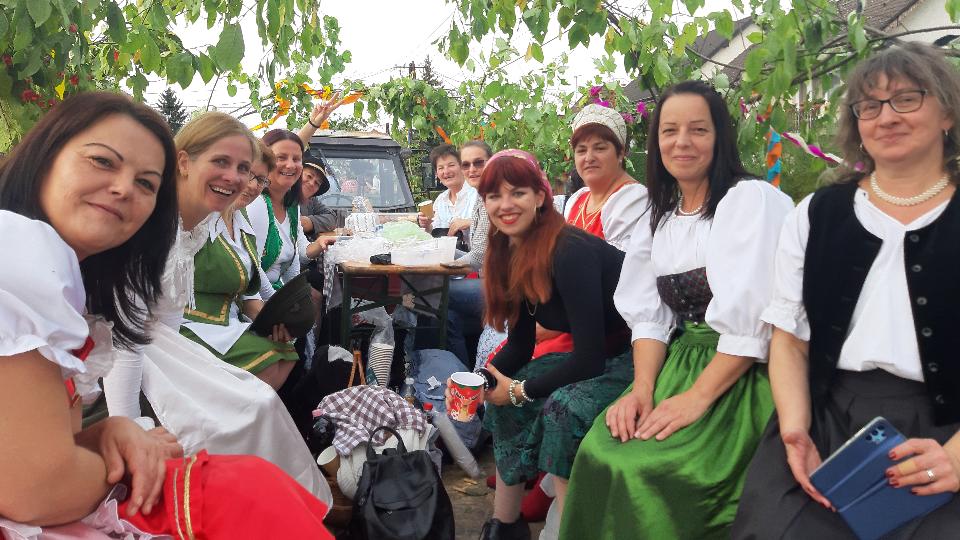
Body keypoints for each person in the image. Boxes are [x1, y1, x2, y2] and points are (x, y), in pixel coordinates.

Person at [0, 92, 332, 538]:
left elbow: (45, 442)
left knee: (256, 445)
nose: (123, 188)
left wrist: (109, 436)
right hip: (50, 501)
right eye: (102, 161)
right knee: (246, 476)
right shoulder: (18, 258)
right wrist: (131, 441)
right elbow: (38, 490)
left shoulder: (74, 270)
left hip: (155, 365)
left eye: (145, 183)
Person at [732, 42, 960, 539]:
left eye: (906, 99)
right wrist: (795, 429)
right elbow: (790, 341)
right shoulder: (815, 214)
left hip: (949, 428)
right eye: (869, 106)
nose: (886, 117)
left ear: (947, 112)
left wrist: (957, 457)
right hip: (829, 419)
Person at [560, 81, 794, 540]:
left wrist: (697, 398)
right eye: (669, 131)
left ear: (720, 137)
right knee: (599, 451)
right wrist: (641, 389)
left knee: (650, 471)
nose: (682, 142)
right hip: (680, 363)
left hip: (747, 373)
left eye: (698, 130)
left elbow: (754, 325)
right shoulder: (663, 215)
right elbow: (650, 317)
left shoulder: (749, 200)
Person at [101, 112, 330, 504]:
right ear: (184, 161)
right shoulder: (153, 222)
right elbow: (125, 334)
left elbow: (171, 316)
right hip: (113, 352)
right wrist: (131, 428)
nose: (236, 178)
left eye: (244, 169)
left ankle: (269, 503)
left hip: (164, 347)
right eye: (221, 162)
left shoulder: (203, 221)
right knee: (237, 413)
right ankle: (230, 499)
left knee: (259, 403)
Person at [465, 150, 635, 540]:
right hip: (597, 356)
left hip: (636, 355)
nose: (505, 205)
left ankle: (571, 530)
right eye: (494, 196)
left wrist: (519, 390)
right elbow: (520, 346)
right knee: (503, 400)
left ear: (540, 197)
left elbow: (589, 358)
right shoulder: (508, 252)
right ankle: (506, 525)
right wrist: (480, 382)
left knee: (563, 407)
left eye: (517, 193)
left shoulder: (569, 250)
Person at [178, 123, 301, 390]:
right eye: (250, 174)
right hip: (191, 325)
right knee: (268, 360)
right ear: (185, 163)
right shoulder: (200, 216)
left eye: (259, 179)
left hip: (228, 323)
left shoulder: (242, 220)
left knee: (287, 353)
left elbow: (250, 293)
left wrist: (273, 321)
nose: (251, 184)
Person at [447, 140, 495, 365]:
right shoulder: (481, 195)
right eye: (466, 165)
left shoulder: (492, 197)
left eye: (478, 163)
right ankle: (462, 375)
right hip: (488, 280)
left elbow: (477, 258)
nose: (472, 170)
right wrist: (441, 251)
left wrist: (440, 266)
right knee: (448, 317)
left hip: (503, 288)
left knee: (433, 294)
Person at [418, 143, 479, 237]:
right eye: (441, 168)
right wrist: (427, 225)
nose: (446, 171)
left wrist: (469, 222)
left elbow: (495, 223)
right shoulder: (440, 201)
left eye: (451, 165)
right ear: (436, 174)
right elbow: (434, 233)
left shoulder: (478, 194)